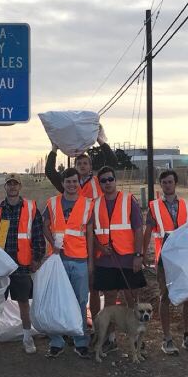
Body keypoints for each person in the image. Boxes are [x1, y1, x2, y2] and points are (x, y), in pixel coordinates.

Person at [46, 124, 118, 325]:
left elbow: (112, 162)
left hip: (97, 236)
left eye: (86, 163)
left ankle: (93, 323)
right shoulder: (69, 184)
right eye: (80, 163)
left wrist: (101, 141)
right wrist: (54, 148)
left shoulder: (99, 182)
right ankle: (70, 323)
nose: (83, 166)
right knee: (71, 288)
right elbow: (50, 171)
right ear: (75, 166)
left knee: (94, 287)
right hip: (75, 245)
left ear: (91, 165)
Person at [0, 173, 45, 356]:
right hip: (0, 264)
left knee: (23, 302)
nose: (12, 187)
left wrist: (37, 258)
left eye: (15, 184)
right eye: (9, 184)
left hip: (21, 264)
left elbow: (38, 234)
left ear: (20, 186)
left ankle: (27, 337)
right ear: (5, 187)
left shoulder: (31, 208)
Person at [87, 166, 147, 353]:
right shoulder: (95, 204)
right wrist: (100, 247)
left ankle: (137, 338)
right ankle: (110, 338)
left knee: (132, 300)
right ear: (99, 183)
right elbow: (91, 233)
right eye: (103, 180)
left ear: (115, 180)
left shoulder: (129, 200)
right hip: (106, 260)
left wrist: (138, 255)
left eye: (110, 179)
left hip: (128, 259)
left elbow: (138, 229)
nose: (107, 183)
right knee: (110, 301)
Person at [144, 170, 188, 356]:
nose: (167, 185)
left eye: (170, 182)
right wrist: (142, 254)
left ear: (175, 183)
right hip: (164, 259)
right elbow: (148, 232)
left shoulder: (187, 205)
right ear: (160, 184)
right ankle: (167, 339)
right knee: (165, 297)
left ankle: (187, 337)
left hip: (183, 258)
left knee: (187, 297)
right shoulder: (154, 207)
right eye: (164, 182)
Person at [41, 167, 94, 358]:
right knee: (56, 301)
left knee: (80, 301)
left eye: (74, 181)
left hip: (79, 259)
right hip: (58, 260)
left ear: (79, 183)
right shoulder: (53, 202)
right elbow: (45, 225)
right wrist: (52, 243)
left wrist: (90, 261)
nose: (71, 185)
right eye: (68, 181)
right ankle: (57, 342)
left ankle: (80, 341)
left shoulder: (87, 204)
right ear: (62, 183)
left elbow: (89, 233)